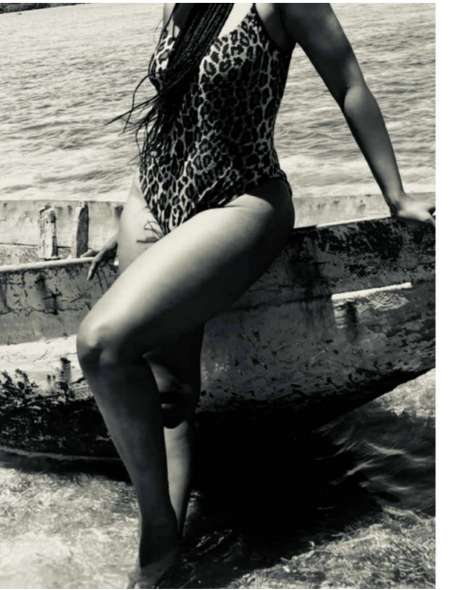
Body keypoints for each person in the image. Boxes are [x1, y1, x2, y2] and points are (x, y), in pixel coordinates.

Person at [76, 3, 435, 588]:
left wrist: (396, 196)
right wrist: (127, 211)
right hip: (153, 203)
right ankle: (165, 561)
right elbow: (175, 113)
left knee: (100, 343)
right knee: (170, 397)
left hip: (241, 198)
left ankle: (155, 534)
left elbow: (349, 84)